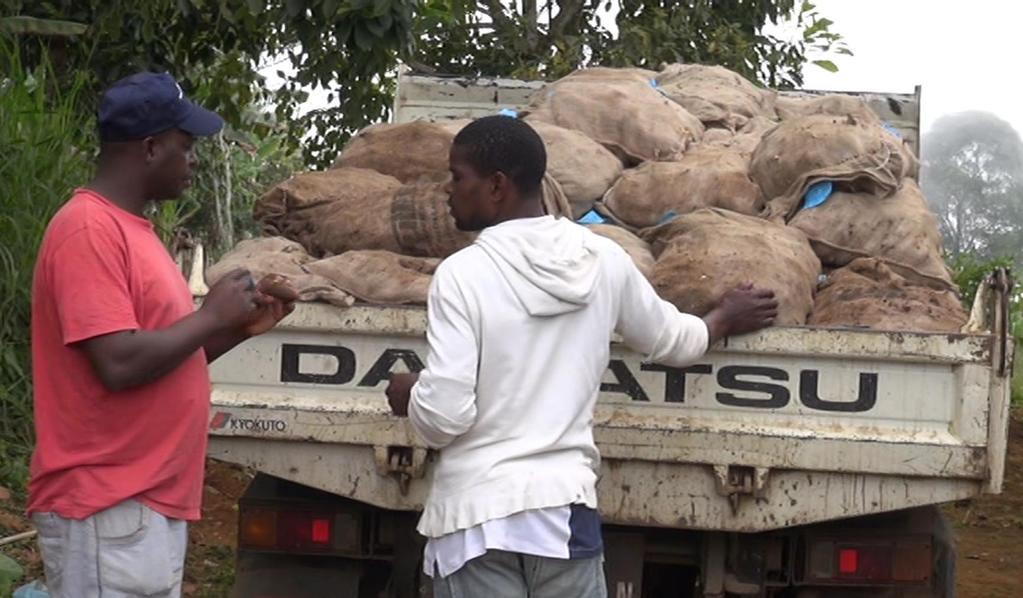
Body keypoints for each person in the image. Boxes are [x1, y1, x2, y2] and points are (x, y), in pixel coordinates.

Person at [385, 115, 778, 598]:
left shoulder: (462, 275)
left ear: (496, 186)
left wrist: (411, 394)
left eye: (457, 176)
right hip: (561, 512)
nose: (447, 191)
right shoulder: (603, 259)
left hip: (474, 519)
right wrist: (723, 318)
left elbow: (445, 415)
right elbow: (675, 340)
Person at [27, 71, 295, 597]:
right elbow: (118, 364)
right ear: (150, 148)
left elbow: (158, 356)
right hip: (108, 503)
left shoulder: (134, 231)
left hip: (142, 503)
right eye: (186, 145)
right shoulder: (89, 229)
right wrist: (210, 317)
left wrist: (237, 329)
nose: (193, 159)